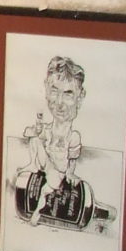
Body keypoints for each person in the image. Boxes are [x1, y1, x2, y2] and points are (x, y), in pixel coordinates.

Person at [13, 56, 88, 225]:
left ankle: (37, 213)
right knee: (34, 136)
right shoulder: (46, 130)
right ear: (46, 91)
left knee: (45, 192)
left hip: (57, 172)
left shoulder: (73, 136)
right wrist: (36, 131)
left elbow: (72, 160)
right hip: (43, 164)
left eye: (68, 93)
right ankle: (32, 164)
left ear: (80, 97)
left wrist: (70, 174)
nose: (59, 103)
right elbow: (29, 135)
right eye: (54, 91)